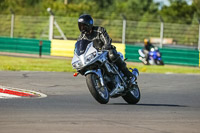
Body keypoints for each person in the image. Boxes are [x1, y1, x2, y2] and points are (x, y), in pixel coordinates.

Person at [77, 14, 134, 85]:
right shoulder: (81, 37)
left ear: (89, 25)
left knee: (112, 55)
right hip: (93, 56)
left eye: (84, 26)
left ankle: (128, 74)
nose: (82, 28)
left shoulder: (99, 30)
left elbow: (107, 41)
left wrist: (105, 47)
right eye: (80, 26)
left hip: (105, 51)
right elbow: (79, 47)